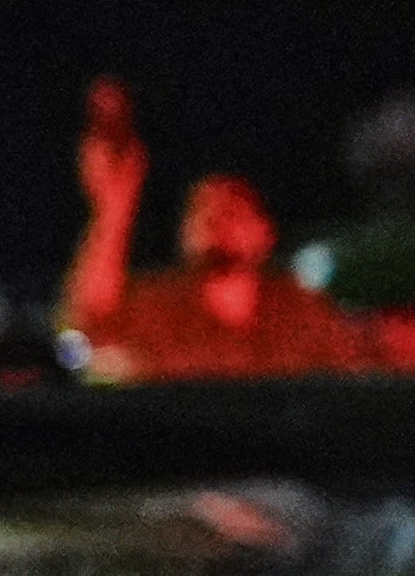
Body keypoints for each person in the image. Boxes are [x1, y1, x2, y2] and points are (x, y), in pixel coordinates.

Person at [62, 79, 373, 379]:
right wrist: (113, 208)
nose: (212, 220)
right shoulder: (158, 307)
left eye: (232, 209)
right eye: (199, 210)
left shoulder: (301, 314)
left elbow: (355, 377)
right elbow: (84, 334)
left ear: (265, 232)